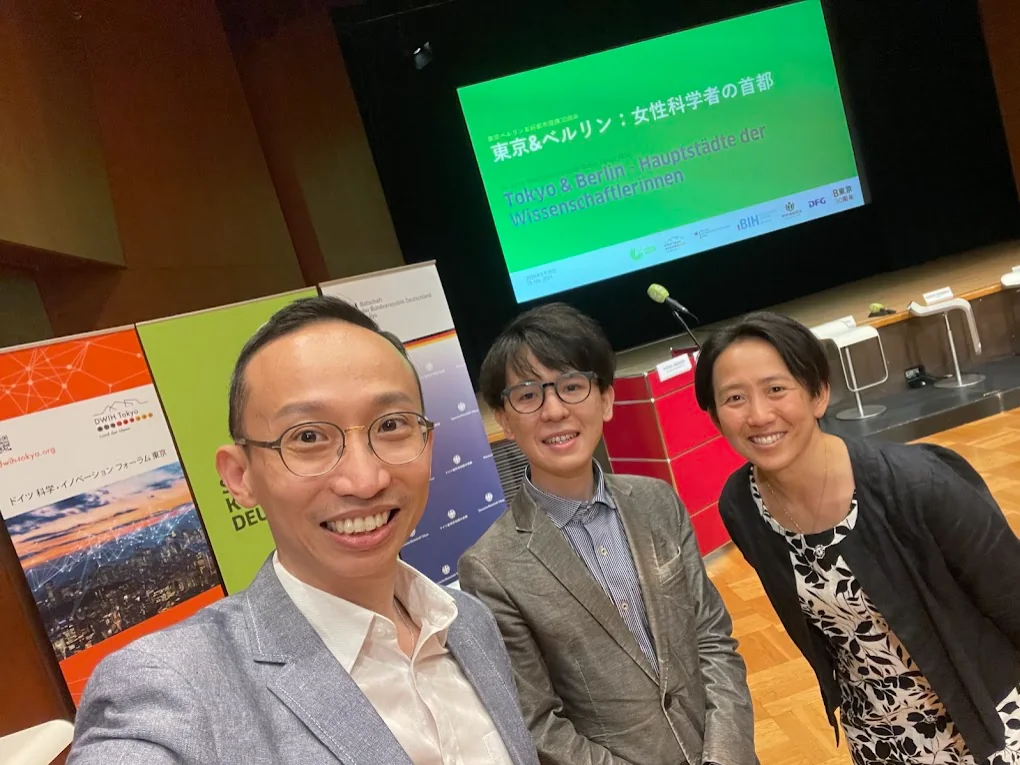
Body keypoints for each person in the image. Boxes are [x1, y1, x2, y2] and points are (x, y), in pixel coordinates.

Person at [68, 296, 540, 765]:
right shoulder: (172, 688)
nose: (365, 479)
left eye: (392, 425)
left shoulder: (469, 622)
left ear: (427, 443)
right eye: (308, 437)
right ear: (240, 476)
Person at [693, 310, 1020, 765]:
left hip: (986, 721)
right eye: (734, 398)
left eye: (776, 389)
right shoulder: (742, 505)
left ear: (819, 393)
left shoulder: (917, 483)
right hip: (878, 738)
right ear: (714, 416)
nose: (759, 415)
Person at [458, 302, 757, 765]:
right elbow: (537, 722)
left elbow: (711, 638)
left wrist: (724, 756)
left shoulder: (658, 501)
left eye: (572, 386)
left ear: (607, 399)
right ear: (504, 417)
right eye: (528, 395)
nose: (554, 410)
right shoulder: (491, 566)